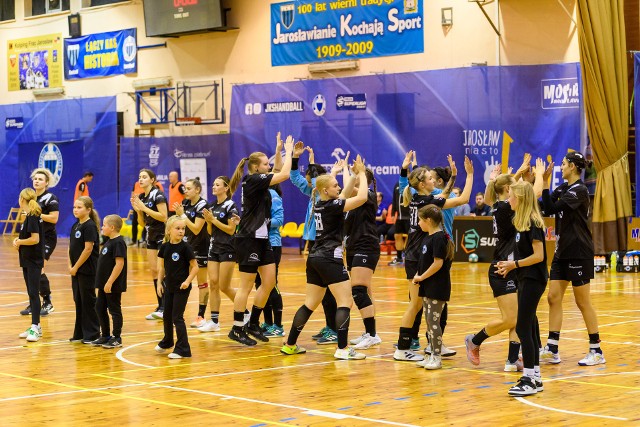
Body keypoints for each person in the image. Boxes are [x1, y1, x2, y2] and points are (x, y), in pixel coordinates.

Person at [280, 155, 369, 360]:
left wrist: (345, 174)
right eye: (335, 186)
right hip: (330, 257)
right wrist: (362, 174)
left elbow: (343, 194)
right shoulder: (332, 206)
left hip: (315, 257)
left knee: (310, 303)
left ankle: (291, 344)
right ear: (325, 190)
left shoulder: (319, 202)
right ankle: (343, 348)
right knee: (345, 301)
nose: (339, 188)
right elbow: (362, 198)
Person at [394, 151, 473, 357]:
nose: (432, 180)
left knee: (422, 304)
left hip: (416, 255)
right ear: (422, 184)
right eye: (429, 178)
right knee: (416, 305)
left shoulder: (414, 197)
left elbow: (406, 183)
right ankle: (403, 348)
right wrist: (467, 175)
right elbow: (459, 198)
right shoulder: (427, 203)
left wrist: (405, 168)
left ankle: (421, 344)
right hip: (418, 256)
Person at [226, 133, 294, 346]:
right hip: (248, 238)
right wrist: (289, 151)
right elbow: (283, 175)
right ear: (256, 167)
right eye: (265, 163)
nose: (269, 165)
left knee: (269, 281)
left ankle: (254, 323)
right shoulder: (253, 180)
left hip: (262, 237)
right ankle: (237, 328)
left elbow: (277, 170)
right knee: (245, 286)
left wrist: (278, 150)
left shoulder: (260, 180)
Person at [540, 151, 604, 366]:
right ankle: (552, 347)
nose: (562, 166)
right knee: (553, 297)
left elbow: (552, 207)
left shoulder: (580, 191)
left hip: (578, 251)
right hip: (562, 251)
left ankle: (596, 349)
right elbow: (546, 206)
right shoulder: (564, 188)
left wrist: (546, 182)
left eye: (565, 164)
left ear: (574, 167)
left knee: (582, 301)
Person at [465, 165, 521, 371]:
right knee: (511, 318)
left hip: (513, 266)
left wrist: (494, 179)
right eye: (514, 186)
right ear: (507, 189)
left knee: (517, 317)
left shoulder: (498, 205)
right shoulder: (506, 207)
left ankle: (512, 359)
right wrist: (535, 176)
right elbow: (534, 193)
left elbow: (494, 194)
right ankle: (475, 340)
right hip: (501, 268)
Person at [496, 178, 548, 396]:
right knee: (531, 328)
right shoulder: (521, 221)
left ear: (520, 198)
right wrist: (511, 268)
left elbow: (539, 256)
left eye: (511, 196)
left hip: (534, 279)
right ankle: (535, 376)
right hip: (525, 277)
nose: (508, 199)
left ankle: (528, 378)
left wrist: (513, 264)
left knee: (522, 328)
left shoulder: (534, 222)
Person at [289, 140, 339, 345]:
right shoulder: (313, 192)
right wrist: (295, 158)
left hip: (328, 246)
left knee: (332, 293)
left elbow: (324, 181)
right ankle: (330, 327)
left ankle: (334, 329)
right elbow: (294, 177)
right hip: (316, 246)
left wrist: (313, 163)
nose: (306, 182)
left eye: (310, 179)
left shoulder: (325, 195)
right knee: (322, 293)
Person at [402, 205, 455, 370]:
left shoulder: (439, 238)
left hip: (437, 286)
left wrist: (421, 277)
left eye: (420, 220)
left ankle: (437, 357)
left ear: (429, 221)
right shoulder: (427, 237)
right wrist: (419, 276)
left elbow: (438, 263)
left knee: (434, 323)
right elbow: (424, 262)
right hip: (427, 285)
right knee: (429, 321)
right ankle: (430, 355)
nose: (418, 223)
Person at [198, 176, 246, 333]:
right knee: (213, 283)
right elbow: (211, 231)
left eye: (217, 184)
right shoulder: (212, 206)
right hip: (214, 248)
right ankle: (214, 321)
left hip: (228, 249)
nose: (213, 186)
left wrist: (214, 220)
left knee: (224, 286)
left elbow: (231, 230)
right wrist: (209, 222)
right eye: (213, 184)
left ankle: (245, 312)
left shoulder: (231, 206)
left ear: (225, 188)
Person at [345, 167, 382, 350]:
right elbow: (347, 189)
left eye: (357, 175)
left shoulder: (368, 195)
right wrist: (350, 172)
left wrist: (357, 173)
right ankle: (371, 333)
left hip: (366, 246)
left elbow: (352, 189)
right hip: (352, 247)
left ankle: (372, 334)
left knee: (358, 290)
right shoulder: (353, 199)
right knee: (365, 291)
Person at [155, 215, 199, 359]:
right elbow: (161, 268)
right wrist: (159, 283)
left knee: (177, 317)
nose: (181, 231)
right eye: (178, 228)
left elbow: (195, 267)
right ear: (169, 230)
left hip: (182, 288)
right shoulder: (165, 247)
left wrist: (187, 281)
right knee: (167, 316)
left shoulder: (185, 247)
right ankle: (167, 341)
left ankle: (183, 349)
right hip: (169, 286)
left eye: (183, 229)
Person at [20, 168, 58, 317]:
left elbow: (54, 218)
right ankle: (34, 300)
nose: (36, 181)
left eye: (40, 179)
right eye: (35, 178)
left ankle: (47, 302)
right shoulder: (31, 197)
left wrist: (37, 213)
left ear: (46, 183)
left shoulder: (50, 198)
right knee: (30, 268)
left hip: (47, 237)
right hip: (34, 237)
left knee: (39, 268)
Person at [131, 169, 168, 320]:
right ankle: (160, 306)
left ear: (152, 180)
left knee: (161, 270)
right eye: (139, 177)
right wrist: (138, 211)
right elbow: (142, 223)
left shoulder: (157, 195)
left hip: (162, 235)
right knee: (153, 270)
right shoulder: (141, 197)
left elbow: (164, 217)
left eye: (144, 177)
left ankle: (166, 306)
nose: (141, 179)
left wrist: (144, 208)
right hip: (150, 235)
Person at [173, 178, 210, 328]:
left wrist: (182, 215)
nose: (185, 190)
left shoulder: (202, 205)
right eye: (185, 188)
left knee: (201, 282)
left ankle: (201, 316)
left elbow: (196, 228)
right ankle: (176, 313)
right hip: (186, 247)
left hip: (201, 247)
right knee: (183, 280)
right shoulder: (186, 203)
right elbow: (182, 224)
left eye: (188, 188)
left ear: (197, 190)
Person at [68, 196, 101, 344]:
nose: (76, 210)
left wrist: (76, 267)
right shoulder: (75, 226)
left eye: (79, 207)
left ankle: (93, 333)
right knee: (78, 300)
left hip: (87, 270)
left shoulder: (89, 226)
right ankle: (80, 333)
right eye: (75, 207)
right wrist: (70, 265)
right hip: (76, 270)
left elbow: (88, 249)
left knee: (88, 301)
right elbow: (71, 247)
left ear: (88, 210)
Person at [15, 188, 45, 342]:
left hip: (34, 260)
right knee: (31, 293)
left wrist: (20, 241)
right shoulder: (29, 216)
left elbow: (35, 239)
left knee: (34, 294)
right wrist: (19, 242)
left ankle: (35, 326)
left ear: (22, 199)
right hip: (27, 259)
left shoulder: (33, 216)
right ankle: (36, 325)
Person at [93, 215, 127, 349]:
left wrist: (110, 282)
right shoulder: (108, 242)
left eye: (104, 225)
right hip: (103, 284)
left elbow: (119, 264)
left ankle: (117, 337)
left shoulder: (118, 242)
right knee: (99, 307)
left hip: (112, 285)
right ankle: (105, 335)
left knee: (114, 310)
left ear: (112, 228)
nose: (102, 227)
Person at [257, 183, 285, 337]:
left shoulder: (273, 195)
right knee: (260, 285)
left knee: (271, 284)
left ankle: (278, 325)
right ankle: (268, 323)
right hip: (257, 243)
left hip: (272, 244)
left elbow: (279, 220)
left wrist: (261, 222)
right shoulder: (255, 193)